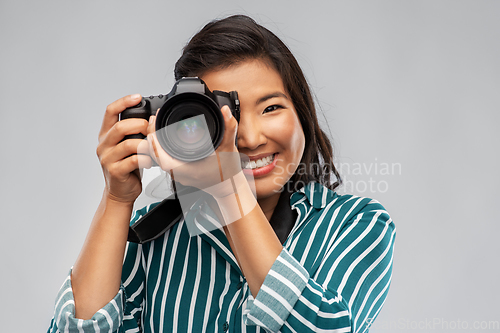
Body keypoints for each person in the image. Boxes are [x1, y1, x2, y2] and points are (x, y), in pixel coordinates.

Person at [48, 15, 395, 333]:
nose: (249, 137)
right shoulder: (150, 236)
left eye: (271, 107)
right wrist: (116, 199)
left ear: (301, 111)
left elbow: (325, 327)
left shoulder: (357, 224)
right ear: (184, 126)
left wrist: (229, 190)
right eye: (227, 115)